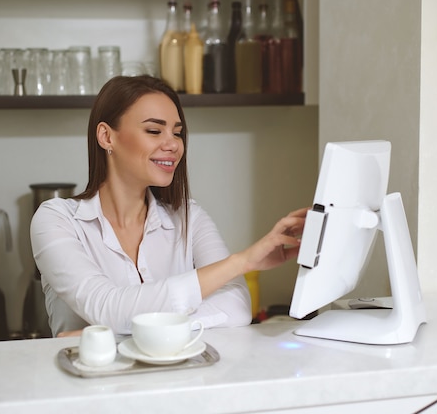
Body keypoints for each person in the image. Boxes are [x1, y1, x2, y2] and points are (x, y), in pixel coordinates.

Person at [30, 75, 308, 337]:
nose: (173, 144)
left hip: (180, 384)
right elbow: (105, 307)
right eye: (154, 130)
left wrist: (119, 335)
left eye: (177, 133)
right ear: (106, 137)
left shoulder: (190, 217)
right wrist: (241, 261)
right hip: (87, 386)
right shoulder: (56, 220)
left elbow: (235, 308)